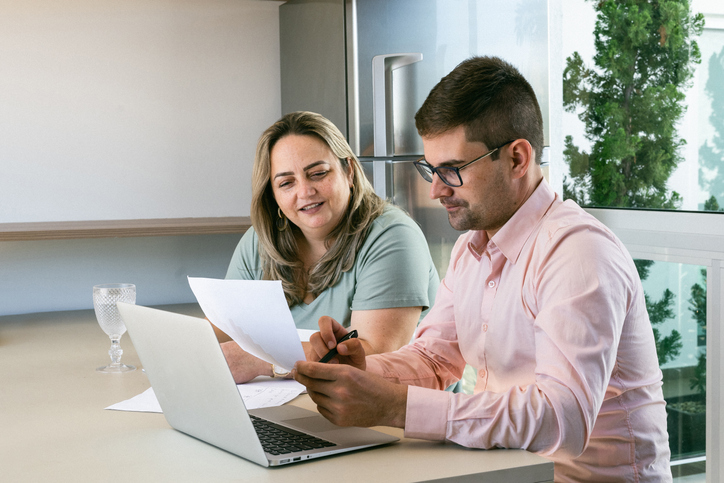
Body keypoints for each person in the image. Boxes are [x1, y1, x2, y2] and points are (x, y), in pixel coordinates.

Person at [293, 57, 671, 481]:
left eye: (452, 170)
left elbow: (562, 419)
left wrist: (395, 406)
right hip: (506, 472)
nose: (435, 189)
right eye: (430, 169)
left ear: (517, 158)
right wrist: (362, 370)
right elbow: (435, 360)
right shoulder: (470, 249)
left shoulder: (578, 252)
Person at [216, 111, 439, 384]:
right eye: (286, 183)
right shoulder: (258, 241)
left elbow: (370, 357)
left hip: (392, 417)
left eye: (318, 173)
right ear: (272, 196)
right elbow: (224, 331)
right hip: (296, 406)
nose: (305, 191)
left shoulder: (393, 236)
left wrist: (261, 360)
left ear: (349, 171)